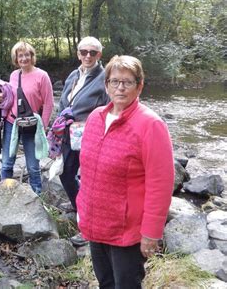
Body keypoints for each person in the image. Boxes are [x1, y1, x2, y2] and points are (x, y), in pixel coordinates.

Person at [77, 55, 174, 288]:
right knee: (105, 283)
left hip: (127, 231)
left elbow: (160, 184)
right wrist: (82, 210)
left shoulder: (150, 124)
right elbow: (88, 171)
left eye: (127, 82)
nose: (120, 87)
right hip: (96, 223)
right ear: (106, 84)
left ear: (139, 86)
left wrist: (151, 233)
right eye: (114, 81)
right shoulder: (94, 118)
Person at [58, 37, 109, 215]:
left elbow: (109, 109)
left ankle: (87, 216)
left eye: (92, 52)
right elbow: (63, 102)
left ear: (99, 55)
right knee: (65, 173)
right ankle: (78, 204)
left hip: (89, 137)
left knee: (89, 179)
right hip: (67, 133)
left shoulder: (105, 78)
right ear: (78, 54)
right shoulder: (74, 75)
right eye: (84, 52)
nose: (88, 56)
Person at [0, 41, 53, 194]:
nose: (24, 58)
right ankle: (4, 194)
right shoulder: (14, 75)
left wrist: (43, 128)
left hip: (32, 125)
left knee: (33, 166)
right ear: (16, 58)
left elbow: (48, 103)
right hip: (11, 123)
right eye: (20, 56)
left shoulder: (42, 76)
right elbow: (10, 97)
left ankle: (37, 198)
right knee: (7, 163)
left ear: (32, 56)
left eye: (27, 55)